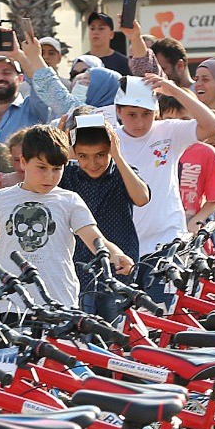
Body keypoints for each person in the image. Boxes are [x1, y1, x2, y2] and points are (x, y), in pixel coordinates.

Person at [0, 125, 135, 307]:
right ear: (23, 162)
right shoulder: (1, 198)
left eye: (56, 169)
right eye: (42, 167)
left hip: (59, 302)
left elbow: (95, 238)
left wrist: (116, 254)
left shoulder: (69, 200)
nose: (49, 177)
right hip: (8, 303)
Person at [113, 74, 215, 264]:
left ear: (156, 111)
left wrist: (174, 91)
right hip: (124, 245)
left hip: (169, 240)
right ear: (118, 111)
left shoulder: (169, 131)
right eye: (132, 114)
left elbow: (213, 125)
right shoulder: (109, 139)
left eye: (146, 114)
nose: (140, 122)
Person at [63, 115, 148, 311]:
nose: (92, 163)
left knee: (116, 325)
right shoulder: (67, 174)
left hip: (118, 267)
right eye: (83, 156)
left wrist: (118, 157)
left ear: (111, 148)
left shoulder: (122, 173)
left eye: (100, 155)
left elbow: (142, 198)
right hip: (77, 268)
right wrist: (63, 152)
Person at [0, 51, 53, 143]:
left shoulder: (32, 108)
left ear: (20, 78)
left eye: (6, 73)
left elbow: (39, 82)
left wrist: (18, 55)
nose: (0, 78)